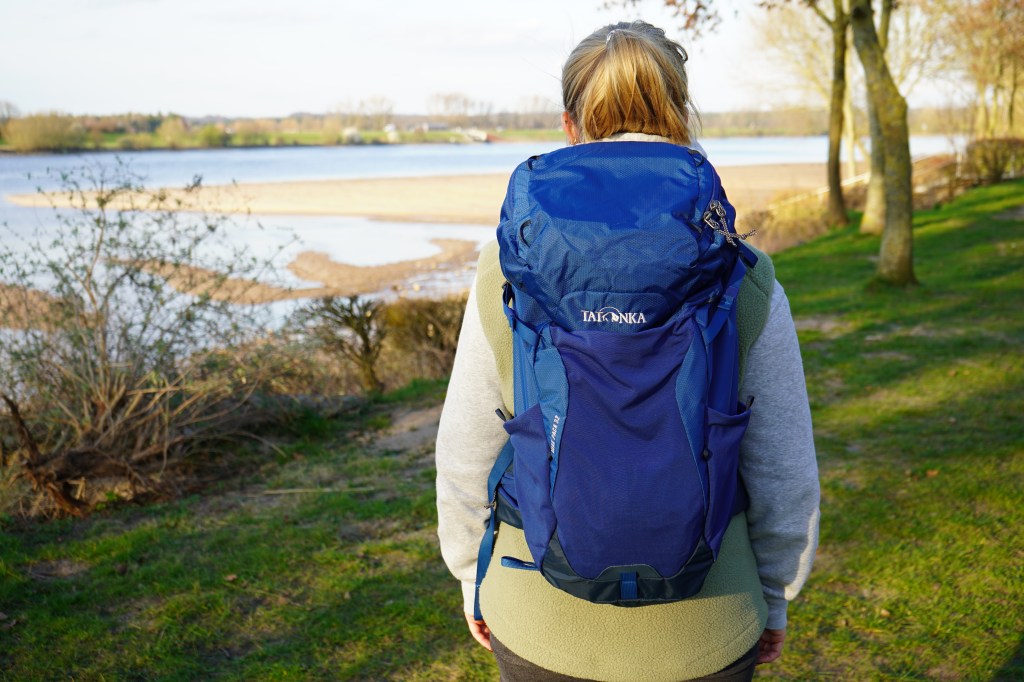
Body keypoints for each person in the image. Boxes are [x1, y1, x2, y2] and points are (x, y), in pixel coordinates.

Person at [436, 20, 819, 682]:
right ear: (680, 114)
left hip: (538, 622)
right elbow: (784, 470)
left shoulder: (507, 266)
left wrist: (473, 574)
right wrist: (777, 595)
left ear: (569, 123)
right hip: (707, 626)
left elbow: (465, 452)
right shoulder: (740, 272)